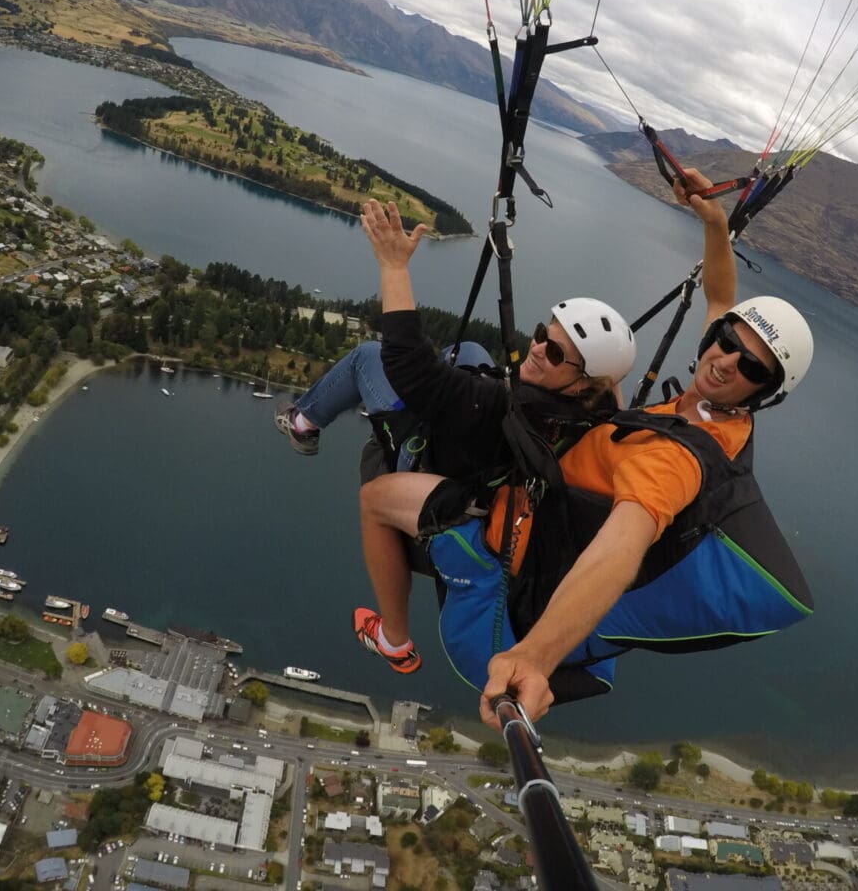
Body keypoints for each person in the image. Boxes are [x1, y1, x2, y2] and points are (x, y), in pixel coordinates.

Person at [349, 169, 815, 722]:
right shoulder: (715, 405)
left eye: (751, 367)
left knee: (377, 498)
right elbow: (719, 295)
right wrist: (715, 223)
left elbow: (618, 552)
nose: (726, 359)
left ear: (766, 394)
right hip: (550, 497)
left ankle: (394, 640)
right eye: (727, 339)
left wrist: (533, 659)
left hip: (514, 538)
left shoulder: (679, 457)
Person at [341, 198, 638, 672]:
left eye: (557, 355)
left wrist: (393, 265)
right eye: (543, 333)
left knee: (375, 498)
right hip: (511, 484)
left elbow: (409, 368)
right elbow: (609, 383)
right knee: (472, 348)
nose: (538, 349)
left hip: (474, 495)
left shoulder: (499, 405)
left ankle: (394, 639)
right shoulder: (600, 409)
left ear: (583, 381)